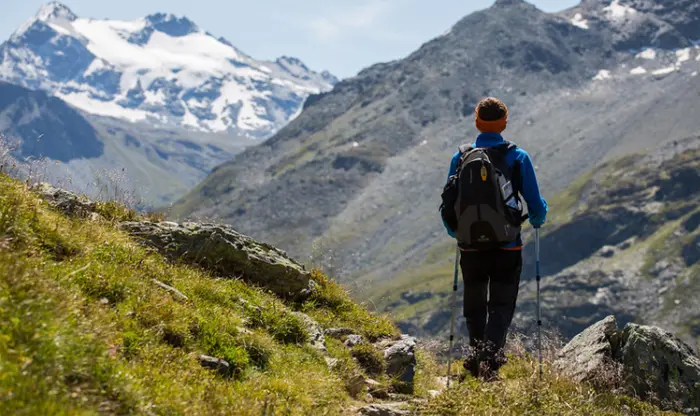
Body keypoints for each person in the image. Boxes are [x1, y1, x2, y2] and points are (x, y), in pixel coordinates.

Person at [442, 97, 548, 381]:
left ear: (477, 121)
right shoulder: (517, 156)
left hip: (470, 246)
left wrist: (455, 231)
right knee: (501, 305)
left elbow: (449, 202)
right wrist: (538, 218)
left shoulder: (461, 156)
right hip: (507, 244)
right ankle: (488, 363)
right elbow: (535, 205)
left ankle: (478, 359)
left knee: (474, 304)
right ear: (504, 123)